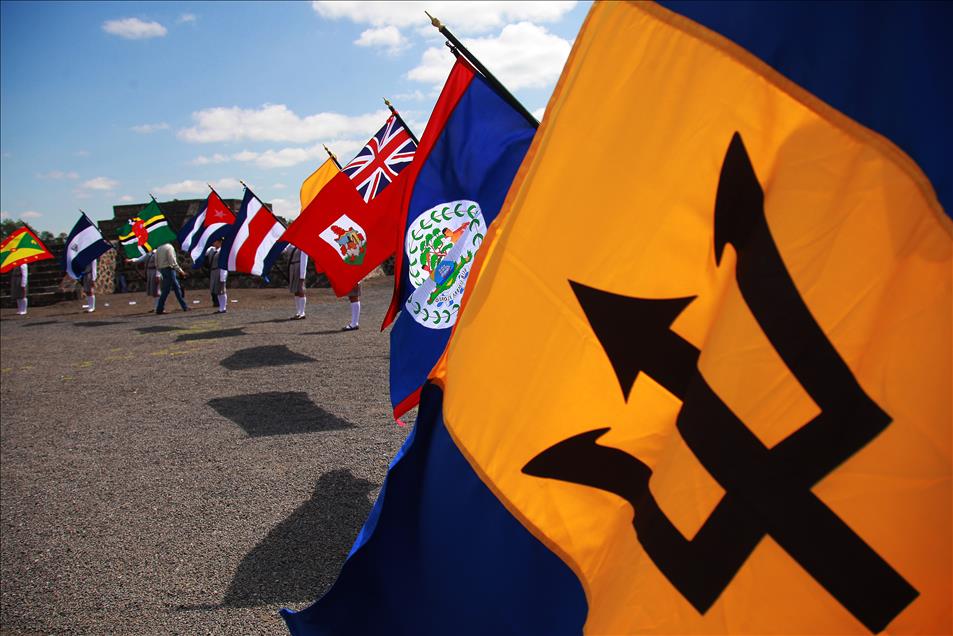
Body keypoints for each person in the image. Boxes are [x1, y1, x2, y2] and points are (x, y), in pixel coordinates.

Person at [154, 242, 189, 315]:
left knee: (176, 288)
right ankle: (159, 308)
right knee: (167, 290)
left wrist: (159, 270)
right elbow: (172, 261)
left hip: (162, 269)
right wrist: (180, 271)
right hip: (169, 269)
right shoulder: (169, 247)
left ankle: (184, 306)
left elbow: (156, 262)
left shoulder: (158, 248)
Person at [283, 245, 308, 320]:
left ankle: (302, 312)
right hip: (292, 267)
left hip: (299, 267)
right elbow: (284, 250)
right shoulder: (290, 244)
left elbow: (304, 260)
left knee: (300, 289)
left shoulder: (303, 245)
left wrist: (302, 276)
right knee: (295, 290)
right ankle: (298, 312)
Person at [205, 238, 228, 313]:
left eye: (215, 241)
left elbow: (224, 263)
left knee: (221, 289)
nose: (214, 242)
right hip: (213, 271)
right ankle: (221, 307)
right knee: (216, 290)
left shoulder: (222, 251)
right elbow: (205, 253)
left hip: (220, 270)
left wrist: (223, 275)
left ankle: (223, 307)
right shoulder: (212, 250)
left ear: (219, 242)